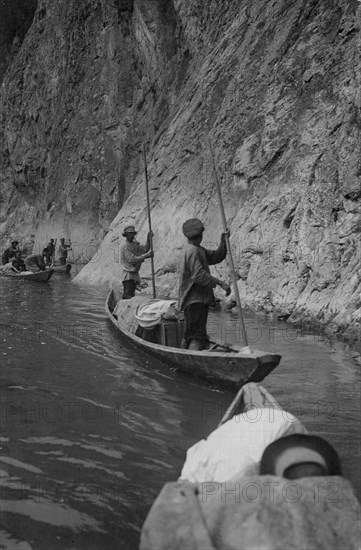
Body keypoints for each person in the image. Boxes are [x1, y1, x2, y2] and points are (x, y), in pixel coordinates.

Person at [178, 218, 230, 350]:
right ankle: (191, 360)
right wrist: (220, 283)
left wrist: (223, 241)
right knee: (196, 336)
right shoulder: (192, 251)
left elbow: (215, 256)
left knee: (192, 334)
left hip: (198, 299)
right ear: (200, 235)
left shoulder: (196, 249)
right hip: (195, 300)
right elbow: (199, 275)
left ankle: (185, 353)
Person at [121, 225, 154, 299]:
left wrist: (149, 239)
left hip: (135, 275)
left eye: (132, 233)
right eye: (129, 233)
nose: (131, 235)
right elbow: (131, 259)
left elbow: (145, 249)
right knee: (128, 296)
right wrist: (146, 256)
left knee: (131, 295)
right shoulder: (124, 246)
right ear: (125, 235)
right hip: (128, 275)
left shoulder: (135, 244)